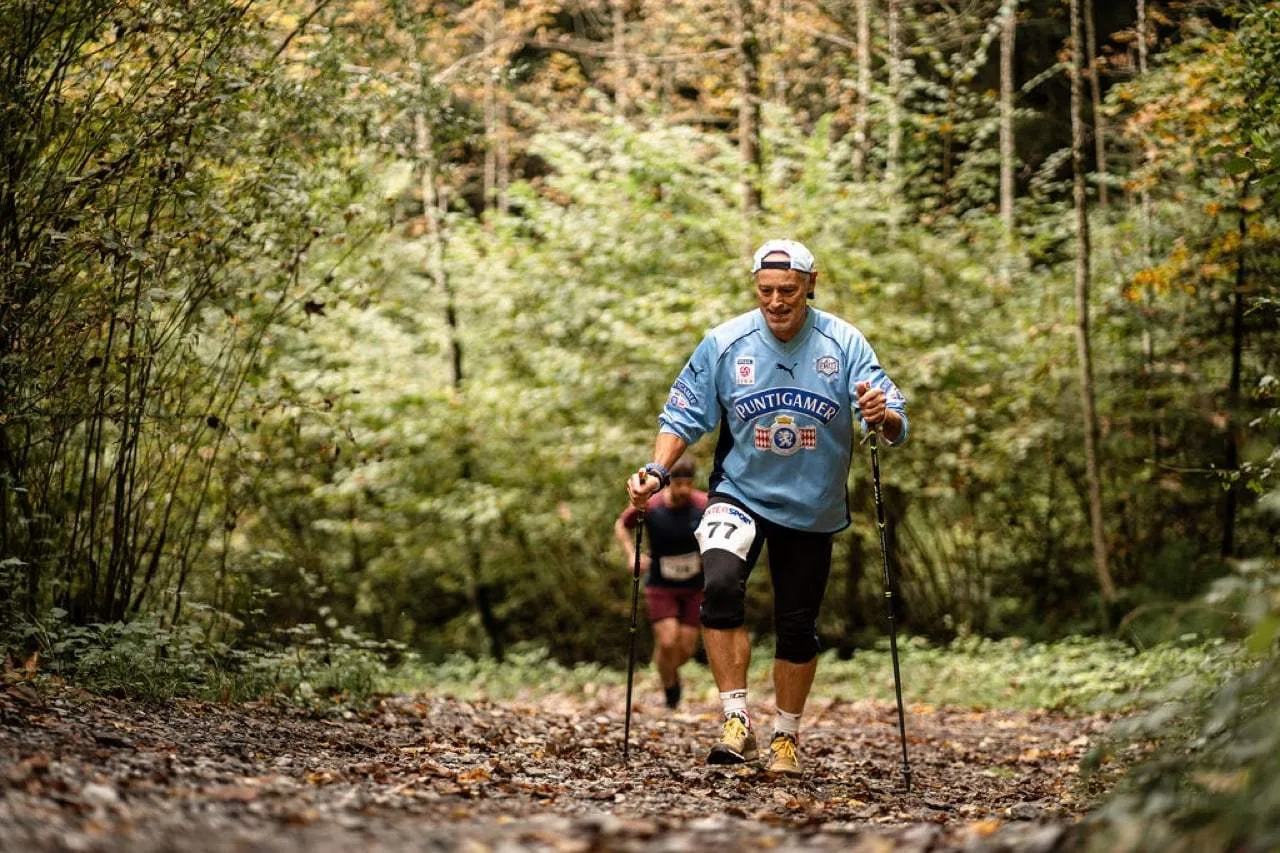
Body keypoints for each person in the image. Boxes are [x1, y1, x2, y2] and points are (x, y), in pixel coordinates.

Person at [624, 238, 908, 777]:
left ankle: (786, 736)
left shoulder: (843, 342)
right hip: (741, 492)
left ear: (811, 285)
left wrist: (880, 415)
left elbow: (891, 416)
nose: (776, 302)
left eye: (788, 292)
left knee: (797, 625)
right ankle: (736, 720)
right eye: (765, 292)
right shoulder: (726, 343)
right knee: (722, 585)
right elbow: (682, 414)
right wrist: (657, 471)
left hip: (812, 505)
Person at [614, 455, 709, 710]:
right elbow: (621, 525)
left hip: (694, 585)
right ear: (669, 484)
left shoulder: (703, 505)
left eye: (688, 484)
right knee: (667, 641)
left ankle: (666, 671)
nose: (684, 490)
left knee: (686, 648)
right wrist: (632, 555)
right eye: (679, 484)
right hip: (661, 583)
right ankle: (671, 689)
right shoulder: (653, 507)